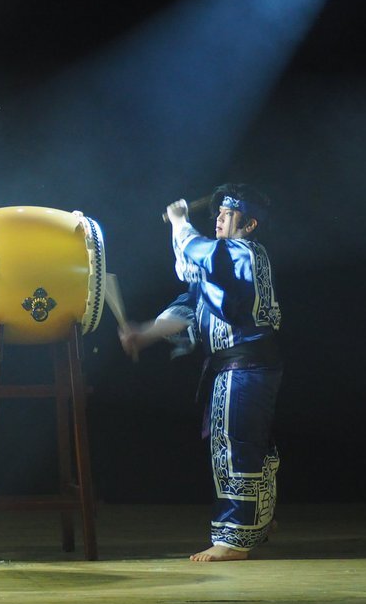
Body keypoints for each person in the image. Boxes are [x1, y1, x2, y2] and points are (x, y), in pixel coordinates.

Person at [119, 184, 282, 562]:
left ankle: (234, 539)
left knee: (235, 446)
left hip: (245, 366)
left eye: (229, 214)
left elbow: (196, 251)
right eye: (219, 213)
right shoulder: (222, 267)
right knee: (249, 445)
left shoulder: (243, 254)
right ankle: (257, 521)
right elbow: (190, 304)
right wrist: (143, 334)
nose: (220, 220)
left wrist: (179, 221)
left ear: (250, 224)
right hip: (240, 367)